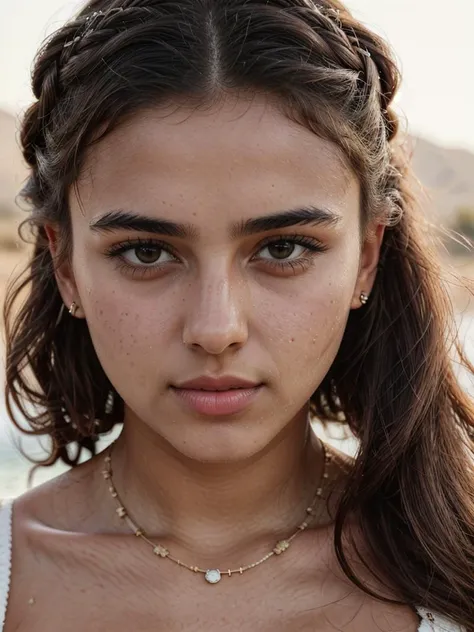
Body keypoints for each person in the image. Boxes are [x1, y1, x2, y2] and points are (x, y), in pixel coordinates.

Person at [0, 0, 473, 629]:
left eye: (283, 249)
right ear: (66, 267)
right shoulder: (14, 571)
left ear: (365, 257)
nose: (216, 329)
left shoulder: (457, 575)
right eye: (147, 252)